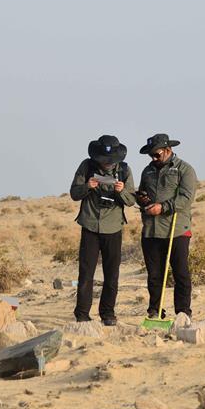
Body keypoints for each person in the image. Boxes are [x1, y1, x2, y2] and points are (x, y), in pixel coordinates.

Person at [69, 135, 135, 325]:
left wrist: (121, 190)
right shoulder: (86, 166)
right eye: (103, 161)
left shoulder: (124, 170)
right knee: (86, 273)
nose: (106, 164)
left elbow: (131, 201)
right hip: (89, 225)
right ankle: (82, 314)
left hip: (113, 227)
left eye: (110, 161)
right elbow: (74, 193)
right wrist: (87, 186)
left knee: (111, 274)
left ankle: (108, 314)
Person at [136, 133, 197, 319]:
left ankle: (183, 312)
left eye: (156, 154)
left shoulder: (184, 170)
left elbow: (186, 198)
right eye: (151, 155)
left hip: (176, 229)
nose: (153, 158)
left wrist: (163, 208)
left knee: (181, 274)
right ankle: (155, 310)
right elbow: (143, 193)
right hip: (151, 231)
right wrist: (142, 199)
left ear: (168, 150)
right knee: (154, 275)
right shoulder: (147, 171)